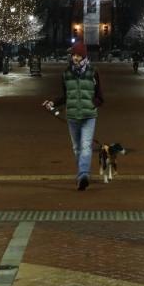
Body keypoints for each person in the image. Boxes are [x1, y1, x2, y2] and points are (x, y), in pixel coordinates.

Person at [42, 41, 104, 190]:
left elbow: (100, 97)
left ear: (84, 56)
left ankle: (83, 174)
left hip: (89, 116)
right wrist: (53, 103)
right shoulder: (66, 74)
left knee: (86, 146)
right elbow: (65, 96)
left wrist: (93, 103)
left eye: (78, 55)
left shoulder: (93, 72)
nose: (75, 58)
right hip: (72, 116)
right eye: (73, 55)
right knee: (77, 147)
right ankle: (82, 174)